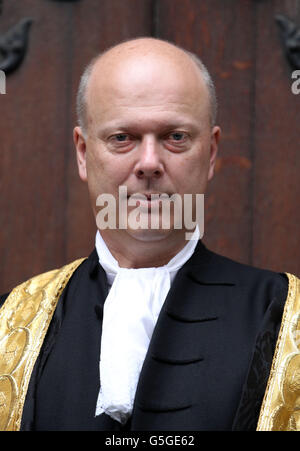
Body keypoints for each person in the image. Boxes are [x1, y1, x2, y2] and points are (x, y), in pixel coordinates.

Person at [0, 37, 299, 432]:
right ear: (82, 152)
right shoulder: (9, 326)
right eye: (122, 138)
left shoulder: (288, 317)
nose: (149, 163)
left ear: (210, 153)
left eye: (176, 137)